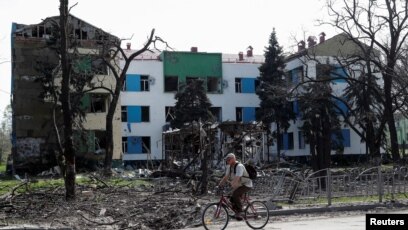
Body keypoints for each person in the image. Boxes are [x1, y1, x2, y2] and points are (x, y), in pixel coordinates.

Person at [218, 153, 253, 220]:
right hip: (239, 185)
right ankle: (237, 213)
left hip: (246, 184)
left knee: (235, 194)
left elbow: (237, 177)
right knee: (230, 197)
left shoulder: (239, 166)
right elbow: (226, 177)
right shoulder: (229, 166)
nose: (227, 161)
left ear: (234, 159)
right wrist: (220, 185)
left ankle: (240, 211)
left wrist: (232, 185)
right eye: (227, 160)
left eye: (229, 159)